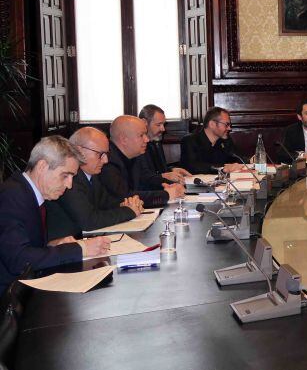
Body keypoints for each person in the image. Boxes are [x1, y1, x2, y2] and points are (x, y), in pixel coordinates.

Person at [0, 136, 111, 292]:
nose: (69, 185)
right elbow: (18, 261)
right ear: (42, 167)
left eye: (72, 177)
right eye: (65, 176)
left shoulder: (29, 193)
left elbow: (25, 246)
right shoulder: (12, 196)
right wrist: (80, 249)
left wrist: (54, 245)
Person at [46, 127, 143, 240]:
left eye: (106, 154)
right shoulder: (70, 178)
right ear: (79, 151)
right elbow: (89, 221)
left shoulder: (91, 174)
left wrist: (129, 203)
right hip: (63, 248)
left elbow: (106, 202)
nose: (105, 160)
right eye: (100, 154)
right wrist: (129, 211)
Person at [101, 115, 185, 207]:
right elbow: (124, 197)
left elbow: (146, 180)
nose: (147, 139)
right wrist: (166, 195)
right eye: (141, 135)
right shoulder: (106, 161)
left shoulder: (133, 155)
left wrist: (172, 186)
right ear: (124, 139)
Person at [135, 104, 191, 189]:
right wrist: (165, 176)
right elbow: (142, 178)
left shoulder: (156, 142)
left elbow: (157, 171)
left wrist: (172, 170)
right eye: (158, 125)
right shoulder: (135, 146)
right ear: (144, 122)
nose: (163, 129)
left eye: (163, 124)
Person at [181, 107, 245, 173]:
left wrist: (252, 160)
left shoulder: (225, 140)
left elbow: (238, 159)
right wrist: (222, 168)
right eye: (226, 124)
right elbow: (193, 166)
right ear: (212, 124)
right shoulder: (189, 141)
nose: (229, 128)